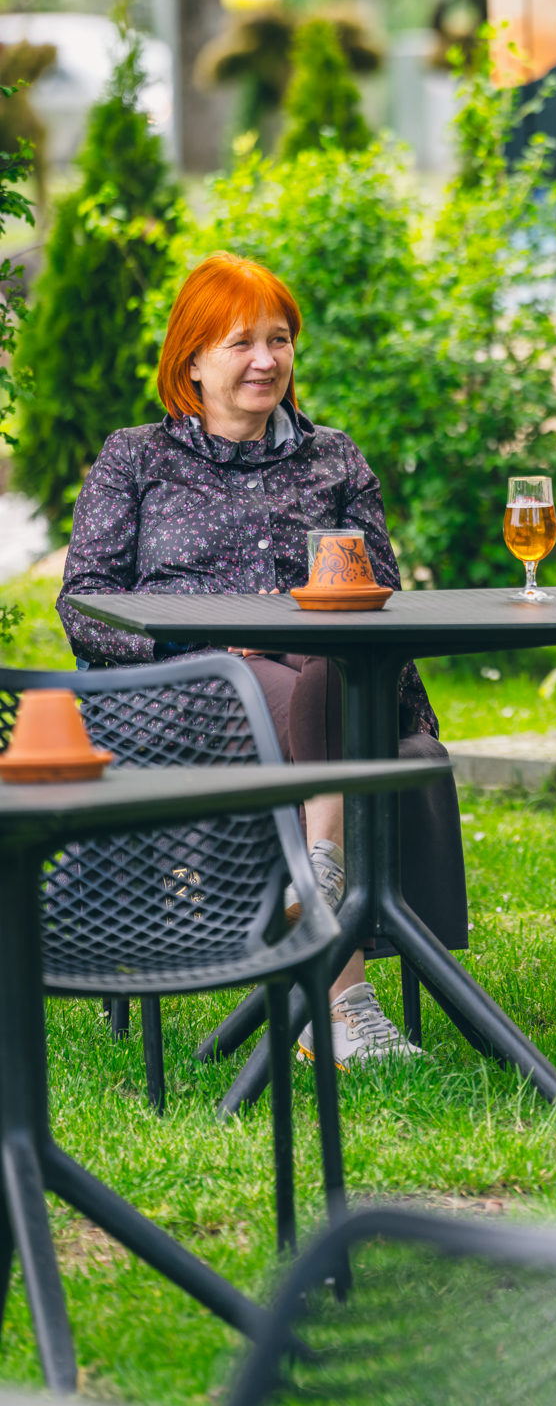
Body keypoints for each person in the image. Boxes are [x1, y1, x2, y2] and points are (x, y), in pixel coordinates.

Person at [57, 251, 466, 1069]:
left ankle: (317, 877)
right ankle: (342, 997)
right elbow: (84, 604)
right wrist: (206, 641)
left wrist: (297, 627)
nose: (265, 360)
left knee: (332, 674)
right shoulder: (136, 457)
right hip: (184, 688)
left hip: (335, 676)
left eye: (278, 340)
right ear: (191, 361)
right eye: (240, 342)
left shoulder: (333, 455)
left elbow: (377, 591)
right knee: (282, 687)